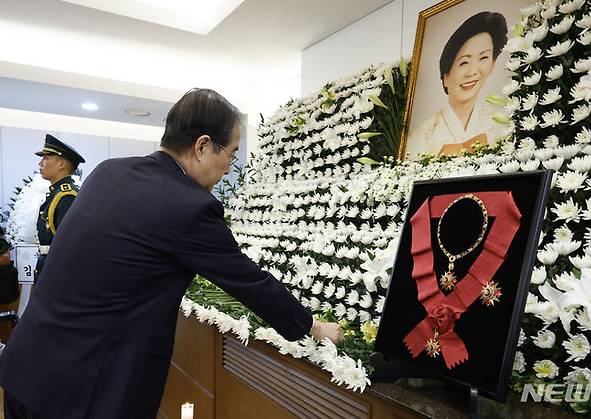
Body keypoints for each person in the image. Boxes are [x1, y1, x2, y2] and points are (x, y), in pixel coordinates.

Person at [0, 88, 343, 419]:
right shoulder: (190, 205)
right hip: (85, 390)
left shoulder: (109, 171)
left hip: (27, 366)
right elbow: (247, 279)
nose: (228, 168)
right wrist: (312, 326)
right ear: (203, 146)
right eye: (231, 153)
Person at [406, 11, 508, 159]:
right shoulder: (421, 136)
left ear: (492, 64)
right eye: (464, 62)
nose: (473, 72)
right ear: (445, 76)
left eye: (483, 57)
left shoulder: (501, 125)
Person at [33, 134, 86, 284]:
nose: (40, 163)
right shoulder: (57, 193)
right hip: (49, 268)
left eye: (46, 158)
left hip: (57, 273)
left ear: (61, 164)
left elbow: (70, 245)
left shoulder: (66, 196)